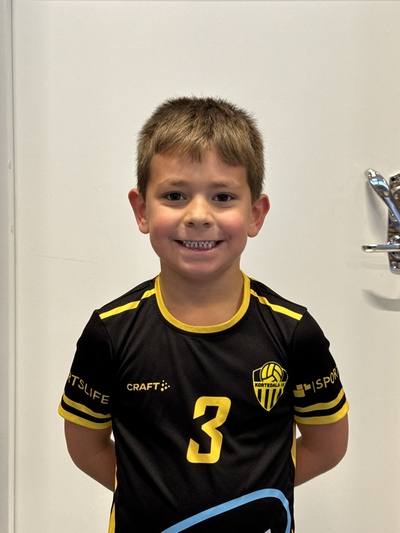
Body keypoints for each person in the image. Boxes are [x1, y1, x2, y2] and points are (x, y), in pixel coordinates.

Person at [59, 96, 349, 533]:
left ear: (255, 214)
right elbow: (86, 447)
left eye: (223, 197)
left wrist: (245, 498)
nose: (198, 215)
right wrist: (150, 492)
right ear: (142, 210)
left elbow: (327, 445)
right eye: (174, 195)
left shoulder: (294, 332)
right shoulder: (111, 332)